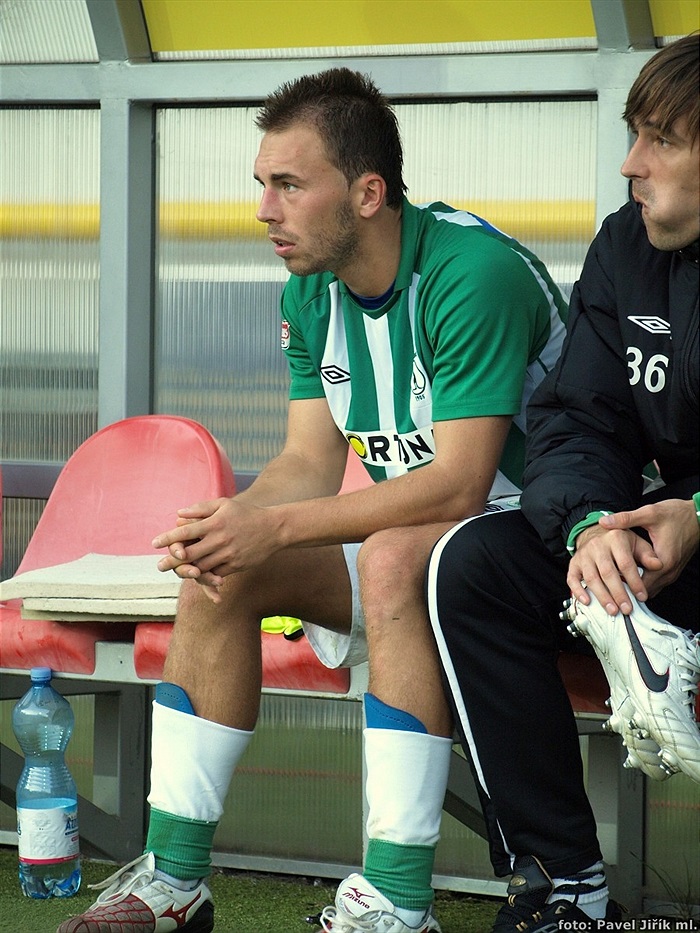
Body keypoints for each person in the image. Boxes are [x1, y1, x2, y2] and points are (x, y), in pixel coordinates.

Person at [57, 68, 567, 933]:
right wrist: (235, 522)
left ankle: (397, 903)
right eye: (261, 184)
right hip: (436, 548)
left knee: (397, 554)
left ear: (368, 193)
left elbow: (459, 483)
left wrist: (275, 525)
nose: (264, 209)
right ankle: (173, 882)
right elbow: (305, 460)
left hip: (555, 555)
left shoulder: (468, 273)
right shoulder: (310, 288)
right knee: (224, 570)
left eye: (288, 184)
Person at [426, 33, 699, 933]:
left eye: (662, 138)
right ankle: (563, 884)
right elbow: (575, 415)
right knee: (471, 563)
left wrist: (699, 514)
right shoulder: (627, 247)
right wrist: (591, 526)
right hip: (652, 543)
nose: (633, 165)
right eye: (634, 135)